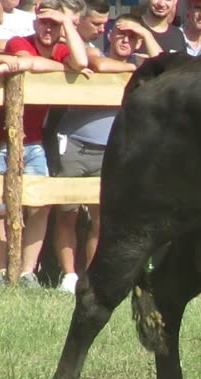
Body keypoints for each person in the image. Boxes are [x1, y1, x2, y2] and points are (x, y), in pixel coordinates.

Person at [0, 0, 88, 288]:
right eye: (44, 22)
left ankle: (26, 272)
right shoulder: (20, 40)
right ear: (35, 20)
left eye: (54, 24)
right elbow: (21, 60)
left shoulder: (61, 48)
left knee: (40, 204)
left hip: (33, 141)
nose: (48, 29)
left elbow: (81, 62)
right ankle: (0, 272)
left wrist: (67, 24)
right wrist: (49, 66)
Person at [50, 14, 159, 293]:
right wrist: (133, 66)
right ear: (109, 34)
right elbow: (95, 63)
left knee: (101, 218)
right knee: (67, 212)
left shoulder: (140, 63)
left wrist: (144, 34)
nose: (126, 40)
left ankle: (90, 275)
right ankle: (68, 275)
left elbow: (163, 66)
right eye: (121, 34)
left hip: (110, 150)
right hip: (75, 141)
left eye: (132, 37)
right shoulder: (93, 51)